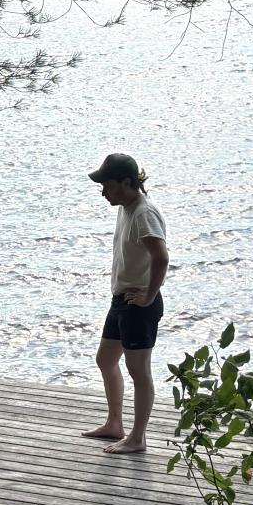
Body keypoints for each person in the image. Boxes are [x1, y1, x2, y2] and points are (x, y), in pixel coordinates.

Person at [81, 153, 170, 454]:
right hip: (121, 300)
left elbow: (161, 257)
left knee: (138, 370)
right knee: (105, 359)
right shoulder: (126, 207)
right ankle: (115, 424)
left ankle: (138, 438)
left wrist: (147, 296)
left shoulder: (144, 213)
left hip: (138, 304)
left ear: (128, 183)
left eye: (108, 185)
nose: (104, 192)